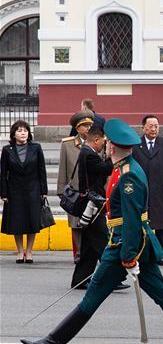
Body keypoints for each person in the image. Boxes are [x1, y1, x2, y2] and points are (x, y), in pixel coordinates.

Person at [21, 118, 163, 344]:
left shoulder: (129, 177)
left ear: (112, 147)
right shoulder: (122, 169)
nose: (105, 145)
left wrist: (127, 255)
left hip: (127, 247)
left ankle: (54, 342)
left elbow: (131, 220)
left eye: (107, 142)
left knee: (97, 296)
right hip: (128, 245)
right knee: (158, 296)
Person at [71, 124, 127, 291]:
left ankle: (79, 280)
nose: (104, 142)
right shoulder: (89, 155)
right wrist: (113, 154)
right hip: (92, 206)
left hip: (91, 204)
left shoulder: (87, 153)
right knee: (103, 242)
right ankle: (112, 278)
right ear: (96, 139)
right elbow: (106, 169)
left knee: (89, 247)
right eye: (103, 140)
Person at [132, 115, 163, 264]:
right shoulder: (135, 145)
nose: (153, 129)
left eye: (156, 126)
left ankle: (161, 254)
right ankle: (142, 253)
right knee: (142, 224)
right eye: (150, 126)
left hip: (160, 190)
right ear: (143, 128)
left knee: (160, 224)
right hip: (141, 191)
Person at [1, 120, 48, 263]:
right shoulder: (7, 150)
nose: (23, 133)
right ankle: (20, 251)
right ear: (13, 134)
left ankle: (29, 251)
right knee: (17, 221)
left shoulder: (36, 148)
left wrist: (43, 190)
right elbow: (3, 173)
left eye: (25, 131)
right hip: (14, 190)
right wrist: (4, 193)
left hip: (33, 189)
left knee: (32, 221)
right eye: (20, 131)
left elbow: (42, 170)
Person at [59, 111, 94, 263]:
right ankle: (79, 254)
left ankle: (93, 253)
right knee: (76, 225)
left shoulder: (98, 142)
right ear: (77, 128)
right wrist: (61, 190)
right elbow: (63, 168)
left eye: (90, 125)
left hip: (93, 192)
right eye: (84, 126)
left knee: (94, 224)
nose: (88, 128)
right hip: (75, 192)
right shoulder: (67, 145)